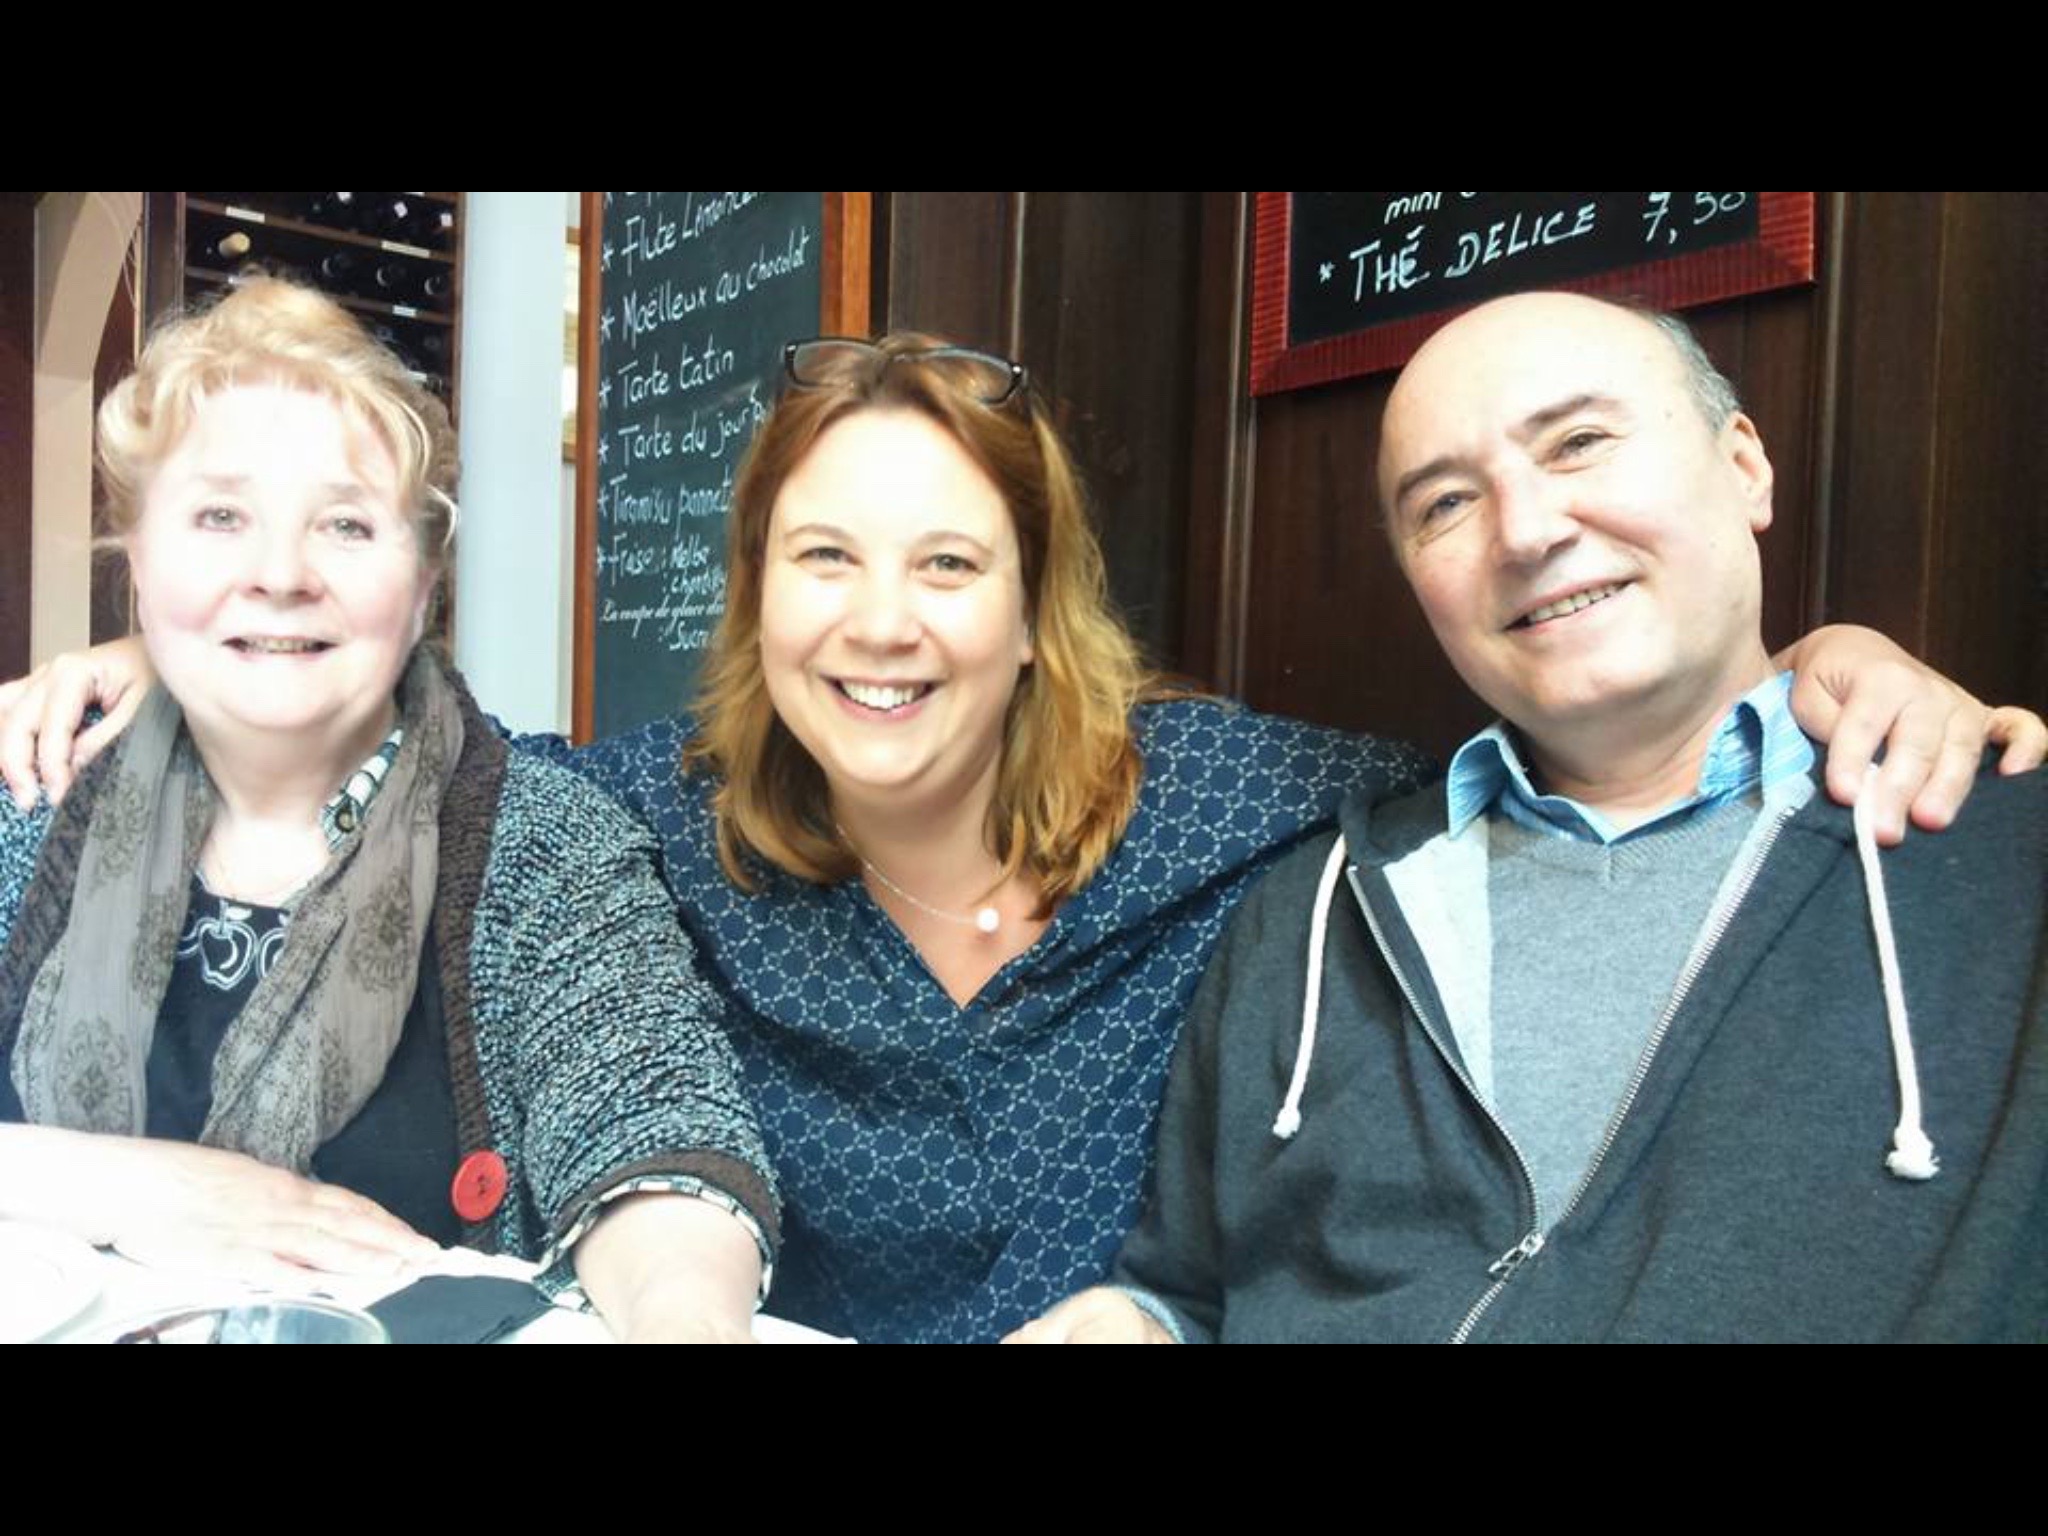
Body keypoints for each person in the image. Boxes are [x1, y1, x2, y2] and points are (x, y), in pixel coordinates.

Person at [5, 331, 2040, 1343]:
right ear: (755, 600)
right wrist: (169, 660)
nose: (879, 624)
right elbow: (407, 752)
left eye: (947, 564)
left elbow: (1572, 733)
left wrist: (1821, 664)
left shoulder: (1252, 807)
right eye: (821, 559)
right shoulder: (643, 827)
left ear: (1033, 601)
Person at [1019, 292, 2047, 1343]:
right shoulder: (1308, 913)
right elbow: (1190, 1290)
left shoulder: (2006, 864)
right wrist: (1132, 1322)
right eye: (1444, 504)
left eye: (1578, 444)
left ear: (1743, 466)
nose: (1524, 531)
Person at [0, 279, 776, 1342]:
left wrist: (685, 1318)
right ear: (136, 559)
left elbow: (656, 1143)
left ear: (422, 582)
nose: (280, 574)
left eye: (346, 525)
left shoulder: (542, 850)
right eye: (220, 516)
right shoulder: (31, 793)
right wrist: (146, 1188)